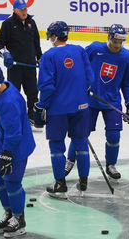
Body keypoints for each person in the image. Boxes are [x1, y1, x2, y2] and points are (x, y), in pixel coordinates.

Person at [65, 24, 129, 181]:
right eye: (115, 41)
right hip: (89, 100)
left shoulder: (127, 57)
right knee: (80, 134)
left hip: (112, 101)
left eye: (120, 42)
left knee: (114, 135)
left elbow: (128, 82)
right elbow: (79, 65)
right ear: (109, 38)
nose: (117, 45)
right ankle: (70, 160)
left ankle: (111, 164)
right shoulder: (95, 49)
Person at [33, 21, 94, 199]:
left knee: (57, 147)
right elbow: (89, 78)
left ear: (53, 36)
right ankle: (83, 181)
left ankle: (60, 183)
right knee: (81, 143)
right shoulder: (79, 51)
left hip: (58, 110)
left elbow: (47, 87)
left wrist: (41, 105)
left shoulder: (48, 56)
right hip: (81, 107)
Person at [0, 64, 35, 238]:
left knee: (12, 181)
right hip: (3, 145)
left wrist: (7, 153)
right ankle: (9, 212)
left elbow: (14, 133)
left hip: (15, 147)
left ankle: (19, 218)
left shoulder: (9, 101)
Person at [0, 0, 42, 131]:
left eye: (25, 8)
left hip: (30, 66)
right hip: (15, 66)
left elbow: (36, 43)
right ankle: (13, 118)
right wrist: (5, 54)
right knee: (13, 93)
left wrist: (40, 58)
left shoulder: (31, 23)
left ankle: (32, 117)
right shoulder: (8, 24)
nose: (24, 11)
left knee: (33, 93)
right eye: (21, 9)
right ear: (15, 10)